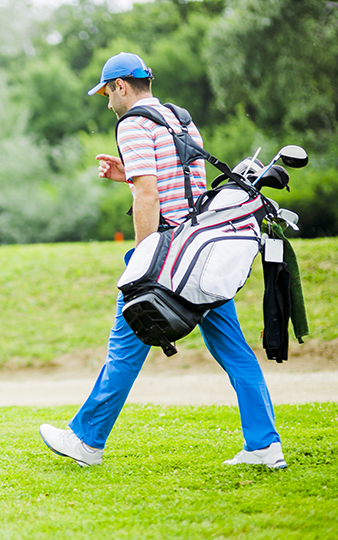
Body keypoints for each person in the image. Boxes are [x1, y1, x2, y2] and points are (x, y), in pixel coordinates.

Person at [39, 52, 286, 469]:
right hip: (199, 253)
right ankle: (264, 444)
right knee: (234, 350)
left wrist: (143, 260)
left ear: (120, 86)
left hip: (166, 257)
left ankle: (86, 441)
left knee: (124, 347)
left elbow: (149, 195)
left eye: (106, 92)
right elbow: (183, 184)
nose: (106, 102)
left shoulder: (133, 123)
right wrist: (128, 175)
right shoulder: (181, 119)